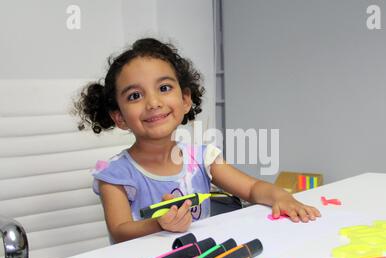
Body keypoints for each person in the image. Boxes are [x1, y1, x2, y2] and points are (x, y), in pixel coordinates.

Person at [73, 38, 321, 243]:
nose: (153, 103)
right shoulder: (116, 174)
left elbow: (253, 189)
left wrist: (281, 196)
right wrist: (159, 224)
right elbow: (119, 231)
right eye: (135, 95)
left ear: (185, 99)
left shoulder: (203, 158)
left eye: (164, 88)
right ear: (119, 117)